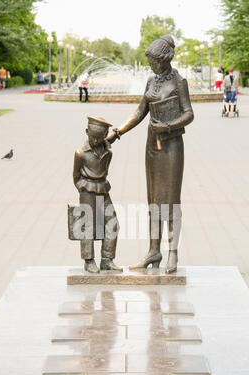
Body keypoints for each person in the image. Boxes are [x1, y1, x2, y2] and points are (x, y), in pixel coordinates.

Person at [108, 35, 194, 274]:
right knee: (154, 199)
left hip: (171, 145)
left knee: (171, 200)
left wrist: (167, 127)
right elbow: (139, 111)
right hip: (152, 145)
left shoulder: (179, 81)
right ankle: (153, 251)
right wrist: (117, 132)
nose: (150, 65)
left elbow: (189, 114)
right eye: (149, 61)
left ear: (165, 59)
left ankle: (173, 253)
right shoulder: (150, 81)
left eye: (154, 61)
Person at [72, 117, 122, 274]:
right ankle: (89, 261)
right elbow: (76, 176)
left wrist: (116, 134)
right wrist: (82, 188)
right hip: (87, 190)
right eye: (92, 137)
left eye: (99, 138)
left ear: (105, 135)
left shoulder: (107, 151)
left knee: (113, 223)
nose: (95, 140)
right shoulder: (80, 154)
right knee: (88, 225)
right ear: (87, 132)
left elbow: (109, 141)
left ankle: (107, 260)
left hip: (103, 189)